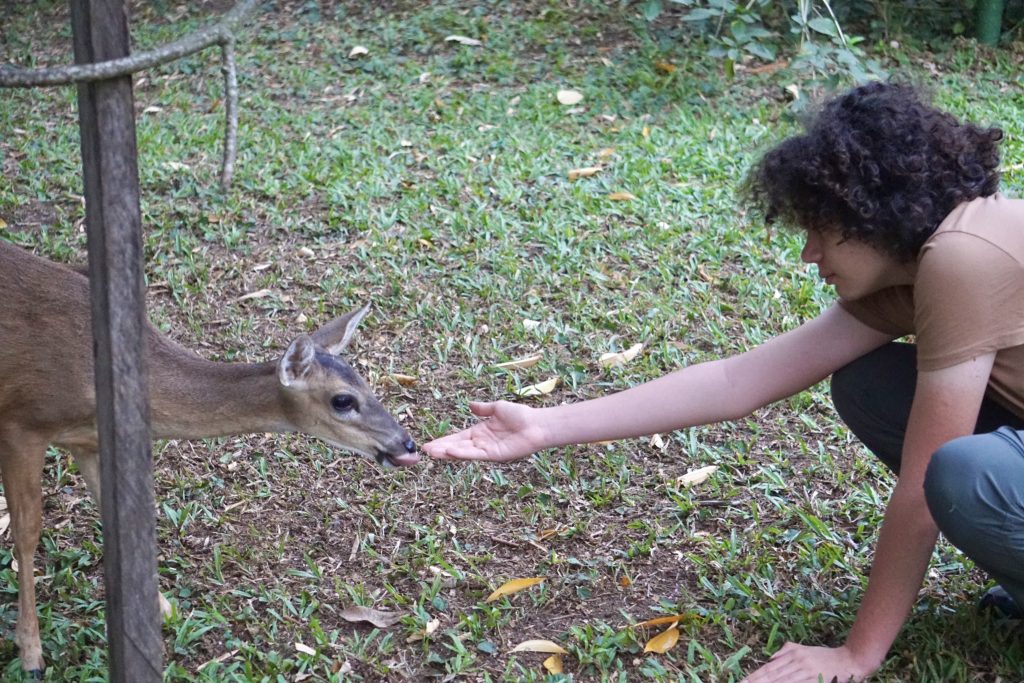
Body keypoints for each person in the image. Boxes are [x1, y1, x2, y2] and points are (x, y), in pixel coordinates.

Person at [423, 80, 1024, 682]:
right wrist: (544, 426)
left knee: (960, 471)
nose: (808, 254)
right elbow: (740, 380)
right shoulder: (915, 267)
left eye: (822, 228)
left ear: (874, 212)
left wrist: (856, 655)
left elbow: (921, 487)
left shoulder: (963, 258)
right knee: (869, 383)